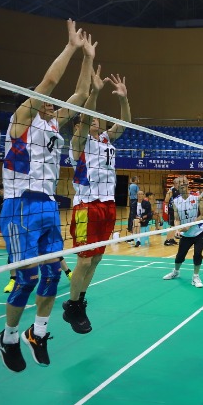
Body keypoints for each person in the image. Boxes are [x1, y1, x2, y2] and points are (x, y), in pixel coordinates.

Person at [0, 19, 93, 373]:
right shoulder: (21, 120)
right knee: (27, 278)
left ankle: (38, 333)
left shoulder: (53, 123)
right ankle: (8, 338)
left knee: (51, 276)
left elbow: (80, 95)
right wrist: (71, 47)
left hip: (48, 205)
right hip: (20, 205)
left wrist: (88, 57)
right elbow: (49, 83)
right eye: (45, 100)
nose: (52, 102)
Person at [63, 71, 130, 334]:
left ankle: (80, 301)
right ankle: (72, 305)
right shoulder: (78, 143)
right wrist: (95, 92)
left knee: (97, 259)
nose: (96, 120)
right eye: (91, 119)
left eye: (98, 118)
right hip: (87, 206)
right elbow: (85, 116)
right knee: (84, 260)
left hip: (108, 205)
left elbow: (125, 123)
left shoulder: (105, 139)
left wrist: (123, 99)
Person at [162, 175, 203, 288]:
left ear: (188, 184)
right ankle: (176, 272)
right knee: (180, 255)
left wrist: (190, 225)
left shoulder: (197, 198)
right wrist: (178, 229)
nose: (182, 184)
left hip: (199, 231)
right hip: (186, 234)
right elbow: (177, 219)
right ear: (176, 187)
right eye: (179, 183)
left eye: (184, 182)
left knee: (197, 254)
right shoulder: (175, 201)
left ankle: (195, 277)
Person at [163, 178, 180, 246]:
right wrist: (166, 210)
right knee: (172, 225)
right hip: (171, 210)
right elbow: (166, 200)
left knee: (176, 225)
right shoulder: (171, 190)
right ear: (175, 183)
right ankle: (167, 240)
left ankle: (171, 239)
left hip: (177, 210)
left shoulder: (179, 190)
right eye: (178, 182)